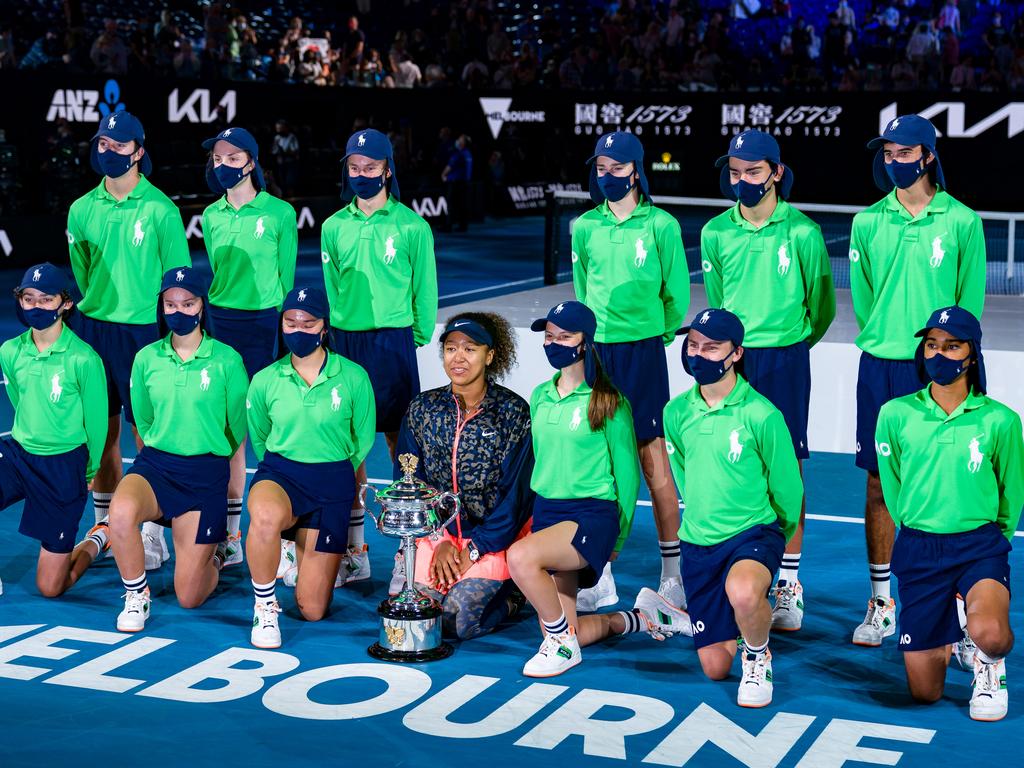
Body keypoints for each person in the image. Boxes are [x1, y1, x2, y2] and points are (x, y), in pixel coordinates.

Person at [849, 114, 986, 646]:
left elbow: (968, 307)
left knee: (948, 483)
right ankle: (882, 604)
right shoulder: (867, 222)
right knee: (880, 483)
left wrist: (948, 356)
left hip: (944, 365)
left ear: (927, 156)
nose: (893, 163)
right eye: (887, 154)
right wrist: (888, 340)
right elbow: (864, 302)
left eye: (904, 154)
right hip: (882, 363)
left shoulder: (963, 222)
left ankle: (951, 609)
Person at [508, 301, 692, 678]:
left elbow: (627, 478)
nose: (553, 343)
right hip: (548, 513)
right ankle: (642, 618)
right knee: (564, 625)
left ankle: (561, 646)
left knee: (521, 558)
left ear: (584, 343)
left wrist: (617, 540)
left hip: (592, 515)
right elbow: (541, 460)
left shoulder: (610, 402)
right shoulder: (540, 396)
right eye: (549, 336)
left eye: (564, 336)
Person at [701, 129, 835, 632]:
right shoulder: (715, 232)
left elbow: (819, 309)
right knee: (732, 462)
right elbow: (718, 299)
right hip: (731, 360)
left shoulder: (802, 232)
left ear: (776, 172)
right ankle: (733, 571)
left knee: (788, 468)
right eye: (735, 172)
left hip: (784, 360)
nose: (743, 181)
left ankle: (789, 585)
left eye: (753, 172)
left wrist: (790, 341)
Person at [876, 306, 1023, 721]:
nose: (939, 354)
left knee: (992, 635)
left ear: (971, 355)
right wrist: (915, 521)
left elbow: (1012, 490)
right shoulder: (895, 414)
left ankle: (988, 664)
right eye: (932, 345)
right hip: (919, 549)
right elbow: (893, 485)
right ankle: (954, 636)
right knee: (925, 693)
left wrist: (997, 542)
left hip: (978, 546)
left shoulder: (1001, 420)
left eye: (952, 346)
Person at [67, 110, 191, 574]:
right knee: (101, 437)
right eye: (102, 144)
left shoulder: (161, 209)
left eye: (119, 147)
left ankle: (152, 531)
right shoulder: (81, 209)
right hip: (94, 330)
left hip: (144, 334)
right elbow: (82, 273)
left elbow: (177, 282)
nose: (108, 153)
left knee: (149, 435)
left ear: (139, 151)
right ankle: (107, 529)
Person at [571, 131, 690, 612]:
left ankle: (672, 575)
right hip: (598, 354)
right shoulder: (584, 226)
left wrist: (652, 336)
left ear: (636, 171)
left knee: (652, 459)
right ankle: (599, 575)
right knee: (601, 466)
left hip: (642, 354)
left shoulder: (662, 225)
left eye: (616, 169)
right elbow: (582, 289)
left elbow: (675, 293)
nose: (607, 177)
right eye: (601, 168)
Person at [665, 308, 802, 707]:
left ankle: (758, 657)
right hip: (698, 542)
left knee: (743, 591)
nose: (699, 355)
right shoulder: (675, 412)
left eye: (712, 347)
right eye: (693, 345)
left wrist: (774, 532)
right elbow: (684, 475)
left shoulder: (762, 414)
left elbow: (788, 490)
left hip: (752, 533)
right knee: (714, 666)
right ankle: (725, 617)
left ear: (736, 353)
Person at [321, 128, 438, 583]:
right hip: (346, 344)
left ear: (388, 169)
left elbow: (424, 288)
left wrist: (418, 335)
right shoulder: (333, 226)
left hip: (392, 343)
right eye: (354, 168)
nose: (362, 175)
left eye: (370, 168)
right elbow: (333, 289)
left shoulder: (412, 225)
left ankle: (410, 557)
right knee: (349, 446)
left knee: (401, 445)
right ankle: (356, 548)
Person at [108, 267, 248, 632]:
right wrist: (168, 443)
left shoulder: (227, 360)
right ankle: (136, 595)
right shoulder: (146, 359)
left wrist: (203, 449)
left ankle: (215, 557)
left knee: (189, 595)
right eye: (170, 304)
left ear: (202, 306)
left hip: (204, 476)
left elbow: (237, 428)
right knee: (120, 514)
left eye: (187, 303)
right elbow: (143, 420)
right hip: (156, 467)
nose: (179, 312)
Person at [245, 287, 376, 648]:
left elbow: (362, 439)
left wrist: (335, 471)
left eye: (308, 323)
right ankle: (265, 606)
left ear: (324, 328)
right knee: (266, 517)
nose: (298, 331)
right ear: (281, 326)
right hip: (281, 475)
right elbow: (259, 437)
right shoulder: (266, 379)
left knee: (313, 608)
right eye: (290, 323)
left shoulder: (353, 376)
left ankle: (294, 548)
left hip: (332, 483)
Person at [392, 313, 533, 639]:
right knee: (413, 617)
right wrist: (438, 540)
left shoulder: (513, 413)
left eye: (470, 349)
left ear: (490, 355)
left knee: (458, 620)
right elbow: (410, 481)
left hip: (491, 541)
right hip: (436, 537)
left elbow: (516, 499)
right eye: (451, 348)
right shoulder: (423, 409)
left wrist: (473, 550)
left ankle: (514, 594)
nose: (458, 357)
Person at [201, 126, 297, 568]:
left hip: (264, 322)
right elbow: (219, 272)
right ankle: (232, 536)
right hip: (220, 320)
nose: (223, 166)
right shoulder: (211, 215)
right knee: (228, 430)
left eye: (232, 157)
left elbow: (287, 278)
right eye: (217, 159)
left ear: (252, 161)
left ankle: (287, 534)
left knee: (271, 429)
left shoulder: (279, 213)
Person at [0, 263, 108, 596]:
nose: (36, 307)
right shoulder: (9, 351)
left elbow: (97, 421)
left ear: (66, 303)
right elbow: (20, 400)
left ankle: (98, 537)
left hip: (63, 467)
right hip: (19, 456)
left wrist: (90, 469)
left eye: (46, 299)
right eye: (28, 298)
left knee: (51, 587)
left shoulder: (84, 359)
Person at [441, 134, 472, 232]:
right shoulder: (468, 154)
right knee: (462, 204)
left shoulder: (458, 154)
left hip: (455, 183)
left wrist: (443, 175)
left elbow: (450, 167)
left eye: (459, 139)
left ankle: (448, 226)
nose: (457, 141)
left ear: (463, 143)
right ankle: (463, 225)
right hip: (465, 182)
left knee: (451, 204)